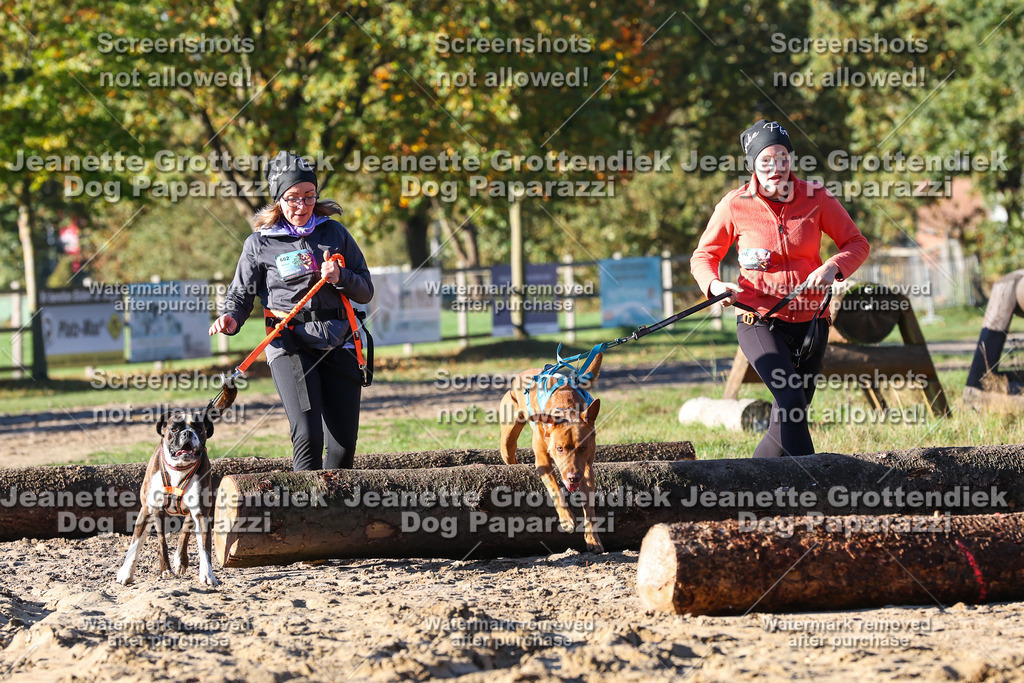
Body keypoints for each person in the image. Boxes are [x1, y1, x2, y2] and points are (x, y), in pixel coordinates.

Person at [690, 120, 870, 458]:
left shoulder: (817, 197)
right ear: (753, 166)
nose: (776, 168)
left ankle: (752, 485)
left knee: (790, 414)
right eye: (766, 161)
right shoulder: (734, 205)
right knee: (790, 400)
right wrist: (713, 284)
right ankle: (815, 488)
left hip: (812, 324)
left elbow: (857, 243)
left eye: (782, 157)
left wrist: (832, 267)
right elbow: (704, 255)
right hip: (759, 320)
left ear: (792, 159)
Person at [209, 151, 373, 470]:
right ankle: (304, 514)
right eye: (293, 198)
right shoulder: (260, 244)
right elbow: (241, 295)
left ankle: (334, 516)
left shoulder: (335, 233)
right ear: (278, 199)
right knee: (309, 437)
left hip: (340, 343)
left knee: (343, 447)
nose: (302, 206)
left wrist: (342, 277)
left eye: (309, 197)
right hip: (290, 346)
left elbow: (365, 290)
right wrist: (231, 318)